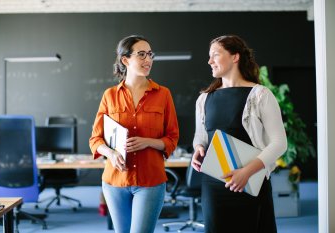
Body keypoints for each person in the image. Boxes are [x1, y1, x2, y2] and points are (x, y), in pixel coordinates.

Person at [191, 35, 287, 233]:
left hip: (250, 182)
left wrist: (246, 172)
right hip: (214, 185)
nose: (209, 61)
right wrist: (198, 148)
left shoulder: (260, 95)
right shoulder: (204, 99)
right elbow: (200, 136)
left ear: (235, 57)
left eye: (215, 55)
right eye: (209, 56)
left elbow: (279, 143)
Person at [89, 35, 179, 233]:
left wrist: (148, 142)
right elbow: (95, 139)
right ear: (125, 59)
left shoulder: (163, 94)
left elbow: (172, 138)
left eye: (150, 54)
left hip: (150, 181)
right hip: (114, 181)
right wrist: (111, 153)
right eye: (141, 54)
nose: (148, 60)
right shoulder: (109, 95)